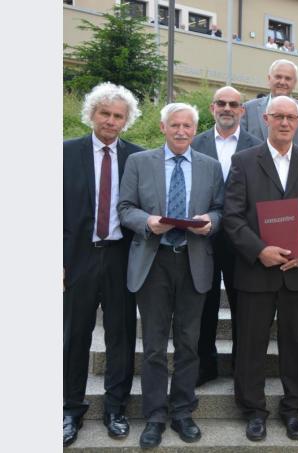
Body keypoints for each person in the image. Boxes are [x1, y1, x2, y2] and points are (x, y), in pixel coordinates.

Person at [224, 96, 298, 442]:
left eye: (291, 117)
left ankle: (294, 409)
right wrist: (259, 250)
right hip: (256, 270)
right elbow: (232, 216)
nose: (285, 122)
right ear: (266, 119)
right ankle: (253, 410)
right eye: (278, 116)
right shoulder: (244, 161)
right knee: (250, 344)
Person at [118, 103, 225, 449]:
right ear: (163, 127)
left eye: (187, 126)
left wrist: (211, 221)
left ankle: (182, 411)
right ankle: (154, 416)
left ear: (195, 130)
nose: (181, 131)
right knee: (153, 345)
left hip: (193, 260)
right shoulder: (139, 162)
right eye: (175, 125)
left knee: (189, 343)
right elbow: (125, 208)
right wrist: (147, 222)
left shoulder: (210, 166)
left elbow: (221, 209)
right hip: (154, 261)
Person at [63, 82, 143, 447]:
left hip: (120, 257)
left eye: (118, 116)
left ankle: (116, 409)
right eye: (104, 113)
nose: (110, 121)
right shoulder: (65, 153)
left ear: (126, 121)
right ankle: (70, 409)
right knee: (74, 335)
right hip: (77, 257)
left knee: (120, 335)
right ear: (91, 114)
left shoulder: (138, 158)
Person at [191, 86, 262, 386]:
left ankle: (240, 366)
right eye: (221, 103)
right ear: (212, 108)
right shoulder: (194, 142)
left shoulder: (256, 146)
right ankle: (204, 365)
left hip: (241, 239)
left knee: (243, 306)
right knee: (203, 304)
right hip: (202, 237)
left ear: (242, 111)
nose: (227, 108)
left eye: (234, 104)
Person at [241, 59, 298, 149]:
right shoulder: (249, 109)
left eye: (288, 78)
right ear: (269, 79)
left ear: (295, 83)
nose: (282, 82)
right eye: (278, 77)